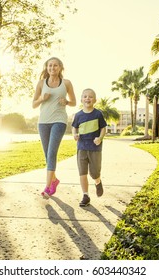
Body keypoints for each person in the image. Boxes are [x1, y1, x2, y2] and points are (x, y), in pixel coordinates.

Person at [32, 57, 76, 199]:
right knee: (47, 155)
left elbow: (74, 102)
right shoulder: (41, 83)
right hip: (43, 122)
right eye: (50, 66)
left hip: (59, 121)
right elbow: (33, 104)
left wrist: (67, 102)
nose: (52, 68)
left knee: (51, 153)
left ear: (60, 67)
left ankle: (47, 187)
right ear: (47, 67)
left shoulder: (66, 83)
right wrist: (42, 99)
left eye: (55, 66)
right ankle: (54, 180)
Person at [71, 88, 107, 207]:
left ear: (95, 100)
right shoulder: (78, 115)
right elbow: (74, 127)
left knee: (94, 172)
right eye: (85, 96)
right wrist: (74, 135)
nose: (88, 98)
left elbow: (103, 128)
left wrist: (100, 138)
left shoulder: (98, 114)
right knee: (82, 173)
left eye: (90, 96)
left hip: (95, 148)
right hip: (81, 147)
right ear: (81, 99)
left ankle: (97, 182)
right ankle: (85, 195)